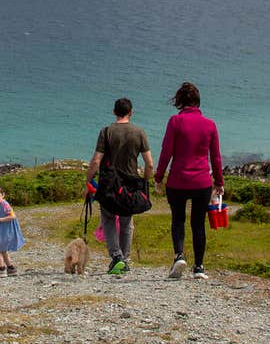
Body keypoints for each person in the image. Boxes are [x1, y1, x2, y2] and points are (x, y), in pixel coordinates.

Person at [154, 81, 223, 280]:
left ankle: (179, 256)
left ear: (179, 101)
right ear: (198, 102)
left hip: (177, 180)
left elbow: (166, 152)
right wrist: (219, 181)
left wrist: (159, 177)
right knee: (198, 224)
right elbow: (216, 156)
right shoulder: (210, 125)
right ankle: (199, 267)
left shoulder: (175, 121)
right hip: (202, 181)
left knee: (178, 220)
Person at [86, 97, 153, 275]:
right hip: (131, 184)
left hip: (108, 183)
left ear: (114, 112)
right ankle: (125, 258)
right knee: (126, 222)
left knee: (108, 219)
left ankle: (116, 256)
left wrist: (89, 179)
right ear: (130, 112)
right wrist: (146, 182)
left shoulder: (106, 131)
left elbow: (96, 160)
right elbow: (149, 164)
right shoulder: (139, 132)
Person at [0, 184, 24, 276]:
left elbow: (12, 216)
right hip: (2, 229)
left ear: (3, 195)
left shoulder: (5, 204)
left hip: (6, 230)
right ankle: (11, 268)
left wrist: (0, 219)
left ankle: (2, 269)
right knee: (2, 249)